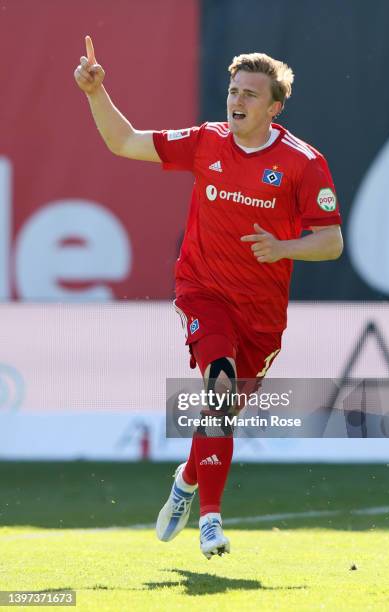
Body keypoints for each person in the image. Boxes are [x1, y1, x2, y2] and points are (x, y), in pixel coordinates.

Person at [74, 36, 343, 559]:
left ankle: (187, 481)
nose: (236, 100)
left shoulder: (303, 164)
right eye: (232, 90)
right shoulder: (205, 141)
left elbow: (331, 241)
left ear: (274, 107)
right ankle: (212, 523)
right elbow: (124, 141)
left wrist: (283, 247)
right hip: (203, 291)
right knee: (218, 388)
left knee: (220, 415)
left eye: (249, 94)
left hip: (261, 315)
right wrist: (95, 92)